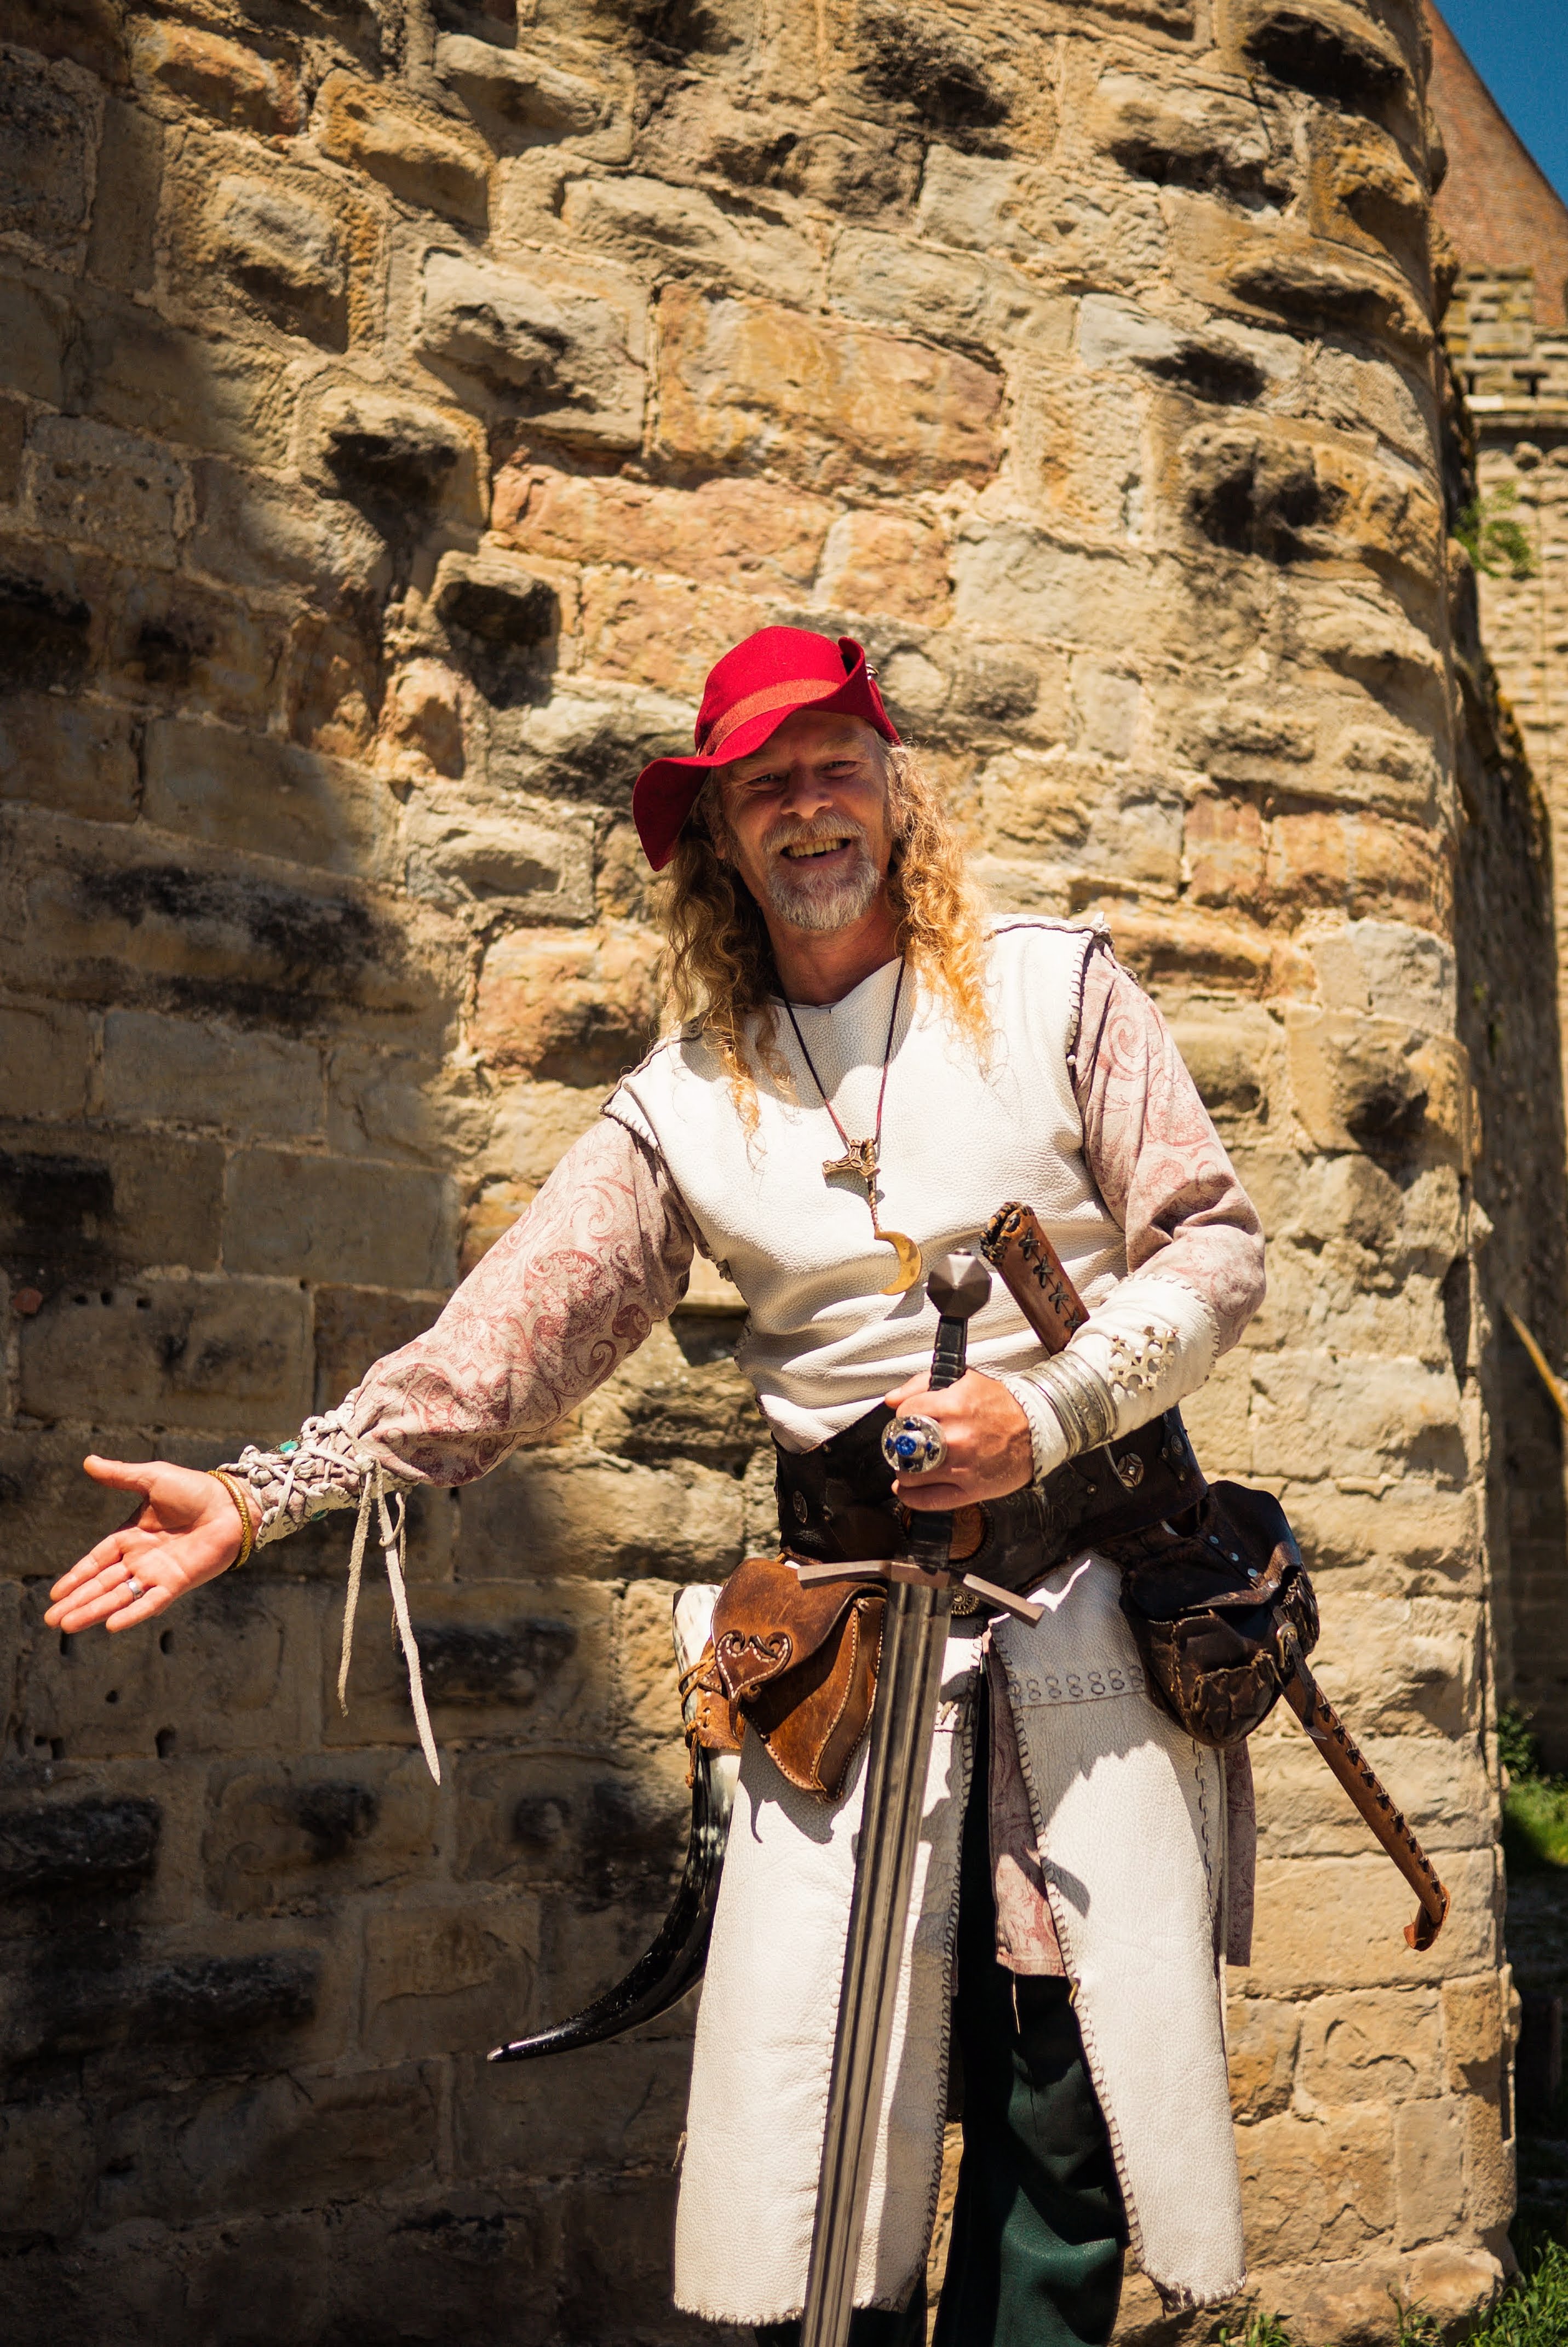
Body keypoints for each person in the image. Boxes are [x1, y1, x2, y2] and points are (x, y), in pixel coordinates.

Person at [49, 626, 1265, 2344]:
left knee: (1062, 2137)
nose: (805, 807)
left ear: (894, 785)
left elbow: (1211, 1252)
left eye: (833, 763)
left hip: (1088, 1633)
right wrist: (267, 1493)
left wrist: (1048, 1410)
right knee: (815, 2157)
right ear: (720, 842)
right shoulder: (688, 1103)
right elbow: (511, 1341)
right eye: (761, 786)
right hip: (846, 1662)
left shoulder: (1061, 990)